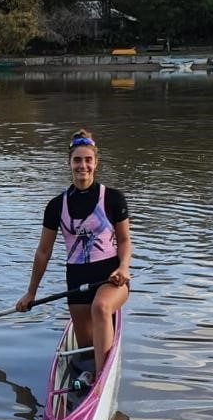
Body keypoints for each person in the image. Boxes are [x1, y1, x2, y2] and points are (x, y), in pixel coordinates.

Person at [16, 129, 131, 375]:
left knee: (100, 308)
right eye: (77, 160)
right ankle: (90, 370)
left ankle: (99, 382)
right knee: (87, 349)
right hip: (77, 280)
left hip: (111, 278)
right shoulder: (56, 206)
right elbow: (43, 252)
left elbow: (124, 240)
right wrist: (31, 293)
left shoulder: (113, 198)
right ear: (69, 163)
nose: (83, 165)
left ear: (96, 163)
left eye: (88, 160)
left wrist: (123, 268)